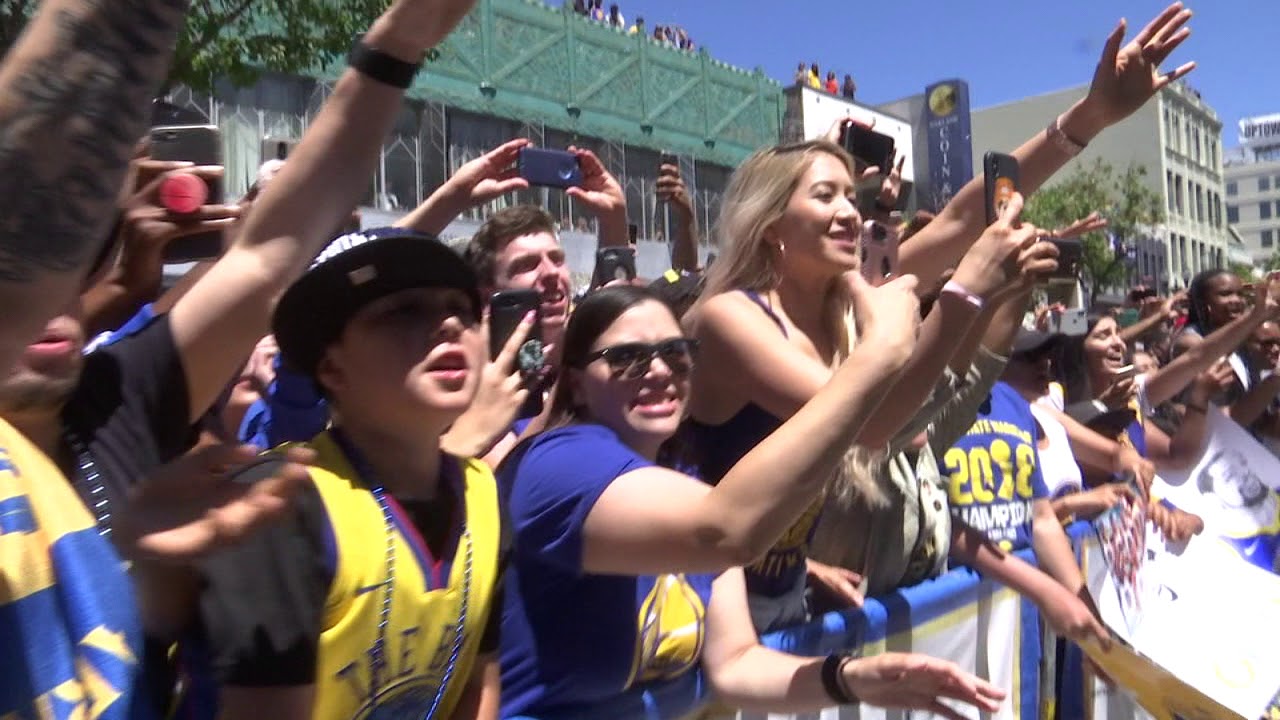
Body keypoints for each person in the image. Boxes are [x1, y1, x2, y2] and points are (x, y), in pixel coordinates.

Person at [498, 285, 1007, 719]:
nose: (658, 371)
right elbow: (727, 530)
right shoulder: (553, 466)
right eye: (626, 357)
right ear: (576, 386)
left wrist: (851, 676)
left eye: (676, 353)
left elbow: (737, 663)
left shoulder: (687, 481)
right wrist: (881, 352)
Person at [188, 229, 509, 718]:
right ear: (331, 368)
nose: (447, 324)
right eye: (403, 311)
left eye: (461, 308)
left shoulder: (482, 491)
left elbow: (478, 686)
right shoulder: (279, 502)